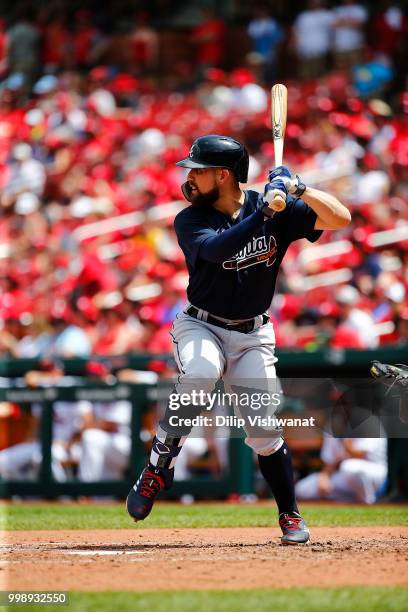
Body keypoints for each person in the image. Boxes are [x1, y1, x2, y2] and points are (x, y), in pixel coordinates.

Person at [127, 134, 351, 544]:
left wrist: (300, 189)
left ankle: (290, 515)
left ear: (224, 175)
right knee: (200, 373)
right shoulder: (191, 219)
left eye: (198, 170)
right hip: (202, 325)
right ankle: (160, 462)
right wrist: (264, 213)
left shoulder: (274, 207)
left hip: (253, 334)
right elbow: (216, 250)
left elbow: (341, 219)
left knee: (263, 430)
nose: (190, 177)